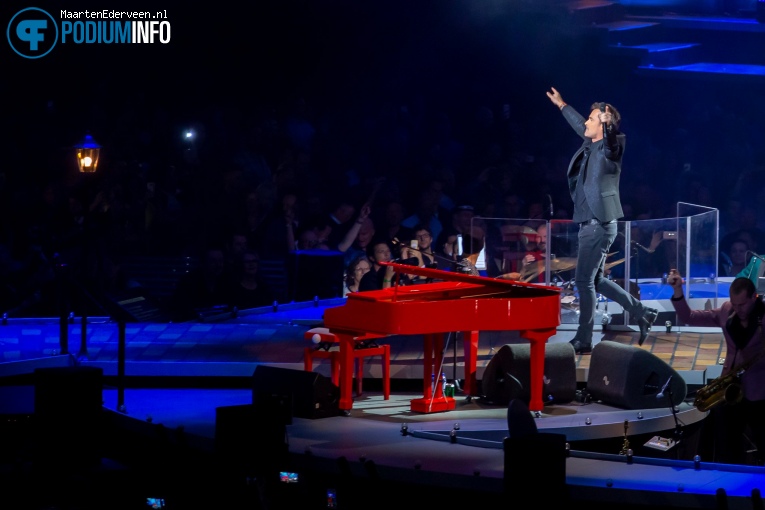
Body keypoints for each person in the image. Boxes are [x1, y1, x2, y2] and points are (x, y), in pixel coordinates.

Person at [546, 87, 657, 353]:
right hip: (593, 223)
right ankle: (641, 311)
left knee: (583, 281)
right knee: (593, 281)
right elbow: (578, 125)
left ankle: (584, 338)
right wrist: (562, 105)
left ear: (605, 124)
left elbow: (610, 143)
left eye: (592, 118)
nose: (586, 121)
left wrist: (608, 128)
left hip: (598, 223)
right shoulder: (589, 144)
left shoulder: (612, 147)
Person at [668, 269, 765, 465]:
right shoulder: (726, 310)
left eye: (743, 304)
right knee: (726, 447)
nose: (738, 309)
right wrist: (678, 290)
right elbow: (689, 317)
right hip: (729, 390)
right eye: (735, 304)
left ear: (754, 298)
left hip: (760, 391)